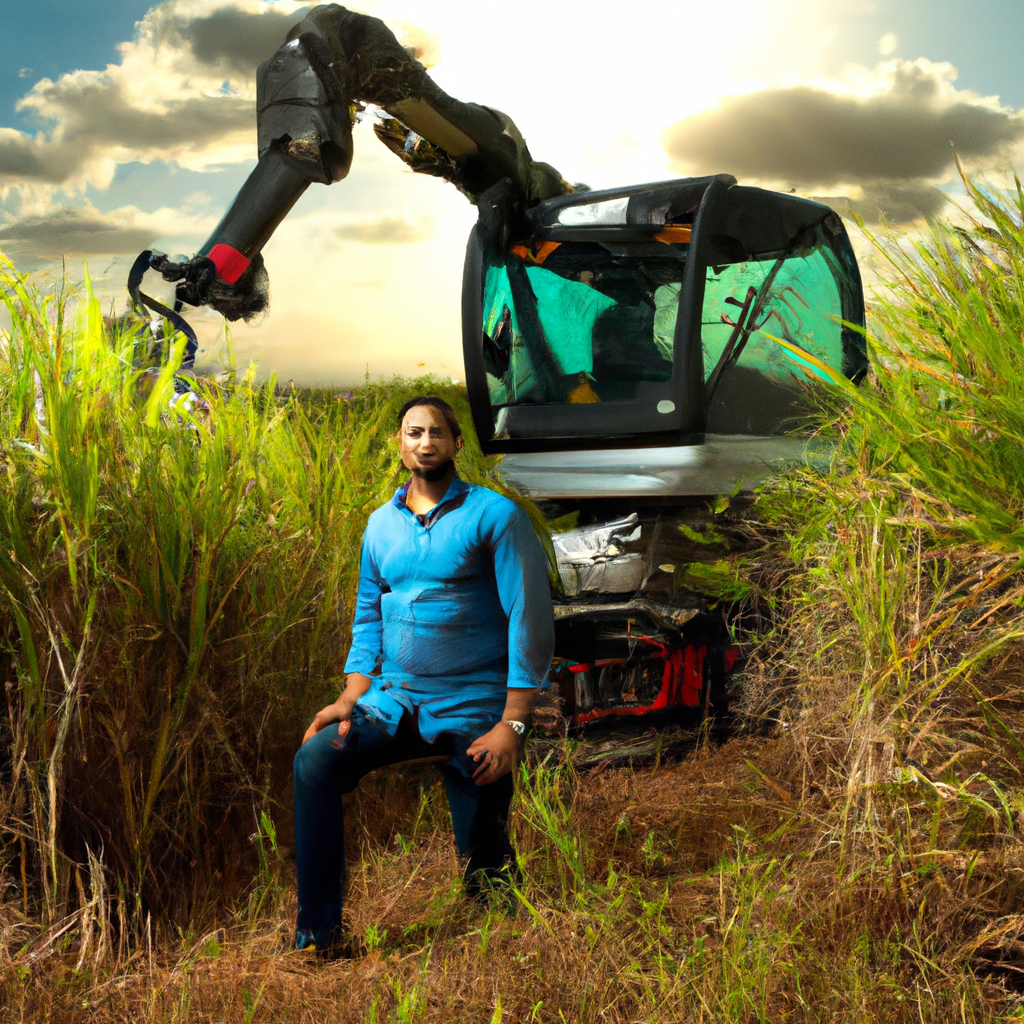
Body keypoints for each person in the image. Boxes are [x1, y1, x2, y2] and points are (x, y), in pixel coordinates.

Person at [292, 395, 554, 954]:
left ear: (456, 444)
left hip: (474, 705)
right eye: (414, 432)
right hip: (394, 701)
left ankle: (498, 925)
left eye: (436, 432)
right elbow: (368, 616)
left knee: (488, 871)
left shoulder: (494, 516)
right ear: (400, 444)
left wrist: (513, 724)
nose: (425, 442)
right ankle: (319, 936)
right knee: (314, 762)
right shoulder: (379, 525)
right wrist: (350, 695)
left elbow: (528, 618)